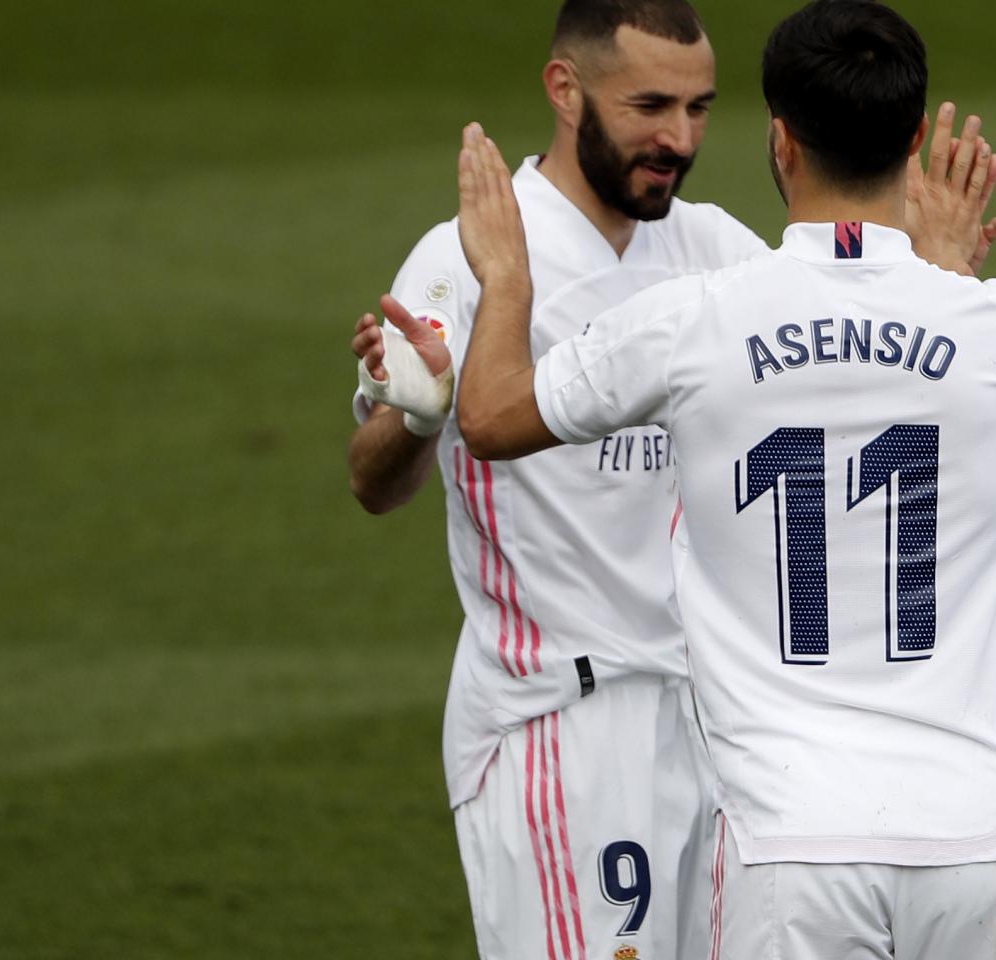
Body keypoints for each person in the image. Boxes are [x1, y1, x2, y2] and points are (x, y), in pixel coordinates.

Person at [444, 2, 996, 956]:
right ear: (912, 141)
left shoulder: (689, 321)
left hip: (791, 843)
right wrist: (944, 278)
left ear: (780, 141)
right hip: (974, 838)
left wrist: (508, 278)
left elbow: (486, 418)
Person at [346, 3, 768, 958]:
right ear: (564, 89)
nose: (680, 138)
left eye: (700, 108)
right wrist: (415, 416)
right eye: (651, 105)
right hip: (560, 727)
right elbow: (375, 484)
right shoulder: (467, 252)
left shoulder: (715, 253)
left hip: (713, 719)